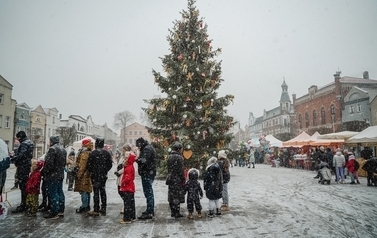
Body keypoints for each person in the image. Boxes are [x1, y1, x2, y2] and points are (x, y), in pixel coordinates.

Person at [42, 135, 67, 219]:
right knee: (60, 192)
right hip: (60, 174)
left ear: (51, 141)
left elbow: (49, 164)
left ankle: (54, 212)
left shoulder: (52, 149)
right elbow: (63, 163)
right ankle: (61, 210)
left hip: (52, 175)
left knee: (53, 193)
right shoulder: (63, 149)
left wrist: (45, 172)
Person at [87, 138, 113, 216]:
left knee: (96, 192)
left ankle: (96, 209)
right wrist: (105, 170)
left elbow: (89, 165)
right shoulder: (107, 153)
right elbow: (110, 164)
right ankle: (103, 207)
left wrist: (92, 171)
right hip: (103, 175)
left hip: (95, 175)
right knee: (103, 191)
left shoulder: (93, 153)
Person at [11, 131, 34, 214]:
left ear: (20, 137)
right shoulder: (30, 142)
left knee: (22, 185)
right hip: (27, 166)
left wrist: (13, 158)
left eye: (17, 138)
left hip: (23, 167)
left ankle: (23, 204)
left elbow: (22, 155)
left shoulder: (24, 143)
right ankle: (25, 203)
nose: (17, 139)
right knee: (24, 185)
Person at [135, 137, 156, 220]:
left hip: (147, 173)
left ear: (141, 144)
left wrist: (137, 159)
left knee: (148, 192)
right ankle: (150, 210)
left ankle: (149, 211)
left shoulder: (146, 149)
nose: (138, 148)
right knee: (148, 192)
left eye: (138, 146)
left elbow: (144, 161)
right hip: (149, 172)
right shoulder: (148, 148)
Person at [166, 142, 185, 218]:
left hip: (171, 178)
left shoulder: (169, 157)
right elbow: (181, 170)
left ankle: (172, 211)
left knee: (171, 194)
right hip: (177, 178)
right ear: (179, 149)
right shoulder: (179, 157)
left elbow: (168, 168)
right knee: (177, 195)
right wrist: (183, 178)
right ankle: (177, 212)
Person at [74, 138, 93, 213]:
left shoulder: (85, 153)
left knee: (83, 190)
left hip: (84, 175)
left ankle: (84, 206)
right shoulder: (89, 151)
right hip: (87, 174)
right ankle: (87, 205)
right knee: (87, 190)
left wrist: (79, 174)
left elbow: (82, 165)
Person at [118, 148, 137, 224]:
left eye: (126, 158)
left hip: (127, 187)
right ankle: (132, 216)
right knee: (131, 203)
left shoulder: (129, 167)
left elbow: (128, 177)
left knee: (127, 204)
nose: (125, 159)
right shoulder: (130, 166)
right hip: (130, 187)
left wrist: (123, 182)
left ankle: (127, 218)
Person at [114, 144, 131, 214]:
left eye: (123, 149)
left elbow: (126, 167)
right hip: (120, 176)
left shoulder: (128, 157)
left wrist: (119, 172)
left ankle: (126, 206)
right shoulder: (122, 156)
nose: (122, 150)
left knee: (123, 192)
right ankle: (126, 205)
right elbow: (119, 164)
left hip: (123, 176)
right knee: (120, 191)